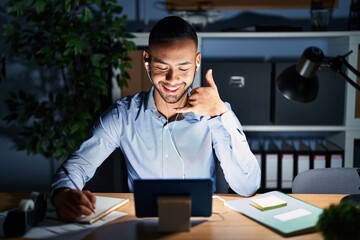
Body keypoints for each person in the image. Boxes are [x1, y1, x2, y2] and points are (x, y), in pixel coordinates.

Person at [50, 16, 261, 221]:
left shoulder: (215, 113)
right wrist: (62, 194)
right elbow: (77, 166)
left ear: (197, 62)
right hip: (142, 223)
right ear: (147, 61)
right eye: (162, 67)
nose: (172, 79)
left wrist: (220, 113)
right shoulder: (123, 115)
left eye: (183, 68)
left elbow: (247, 186)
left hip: (202, 222)